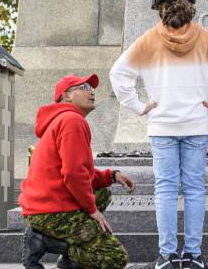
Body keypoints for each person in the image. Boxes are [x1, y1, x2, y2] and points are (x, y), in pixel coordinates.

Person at [110, 0, 208, 269]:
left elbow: (118, 74)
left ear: (161, 10)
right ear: (190, 8)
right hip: (195, 125)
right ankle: (193, 255)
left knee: (166, 190)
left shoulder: (148, 40)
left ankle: (167, 256)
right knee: (195, 189)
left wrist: (137, 106)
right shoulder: (207, 39)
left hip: (162, 127)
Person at [19, 73, 135, 269]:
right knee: (114, 257)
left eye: (91, 88)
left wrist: (111, 176)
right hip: (51, 211)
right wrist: (92, 211)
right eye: (84, 88)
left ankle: (69, 260)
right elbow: (73, 174)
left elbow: (81, 171)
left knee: (102, 193)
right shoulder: (72, 121)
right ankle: (44, 241)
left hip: (42, 207)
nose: (92, 92)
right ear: (67, 96)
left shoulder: (63, 120)